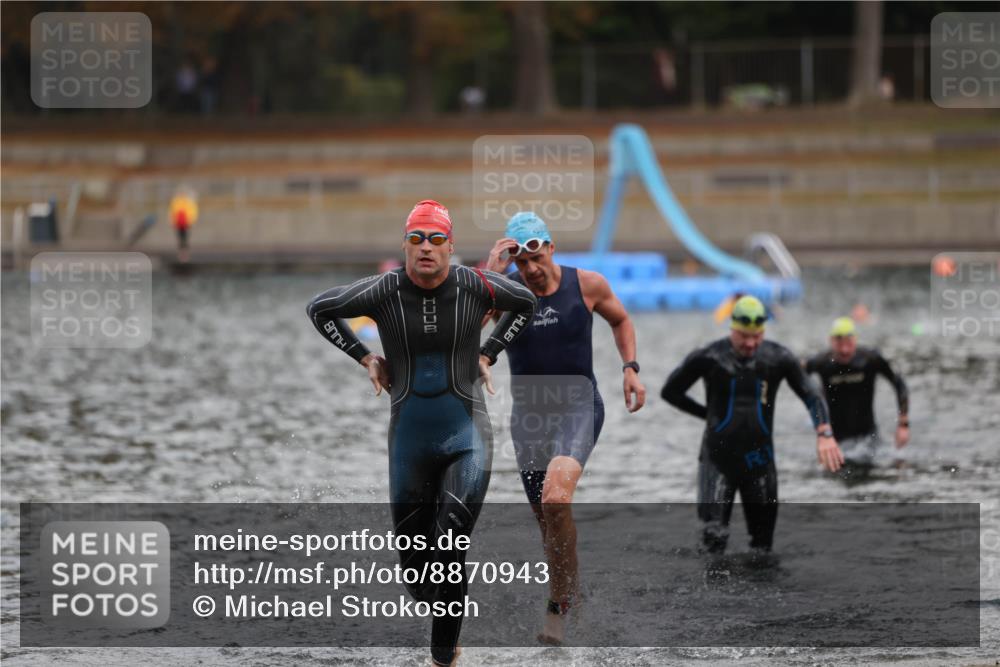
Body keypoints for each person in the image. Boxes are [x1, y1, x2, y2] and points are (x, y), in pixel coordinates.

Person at [306, 200, 536, 666]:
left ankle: (442, 658)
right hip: (408, 444)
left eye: (435, 240)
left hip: (465, 436)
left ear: (450, 247)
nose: (425, 248)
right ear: (405, 247)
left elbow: (527, 303)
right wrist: (366, 357)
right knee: (418, 578)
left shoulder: (475, 285)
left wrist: (489, 353)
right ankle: (447, 630)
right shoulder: (383, 290)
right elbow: (319, 310)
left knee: (450, 539)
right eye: (416, 239)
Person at [484, 211, 646, 645]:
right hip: (529, 419)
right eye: (521, 264)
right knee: (547, 523)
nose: (531, 270)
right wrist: (490, 276)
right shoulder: (506, 292)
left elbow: (621, 320)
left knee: (556, 498)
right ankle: (569, 594)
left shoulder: (586, 284)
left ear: (551, 248)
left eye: (536, 258)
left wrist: (630, 368)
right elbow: (465, 331)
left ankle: (557, 610)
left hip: (579, 405)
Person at [661, 296, 844, 554]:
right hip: (717, 461)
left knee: (763, 548)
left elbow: (811, 395)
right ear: (732, 328)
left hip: (760, 462)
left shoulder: (778, 358)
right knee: (713, 544)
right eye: (743, 336)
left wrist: (824, 433)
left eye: (756, 336)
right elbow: (670, 392)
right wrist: (708, 415)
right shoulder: (708, 357)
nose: (750, 343)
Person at [804, 317, 909, 473]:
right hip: (835, 437)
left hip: (867, 436)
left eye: (849, 343)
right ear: (831, 341)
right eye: (840, 344)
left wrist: (903, 424)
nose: (845, 350)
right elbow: (797, 380)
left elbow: (899, 383)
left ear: (856, 340)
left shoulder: (870, 359)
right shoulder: (821, 362)